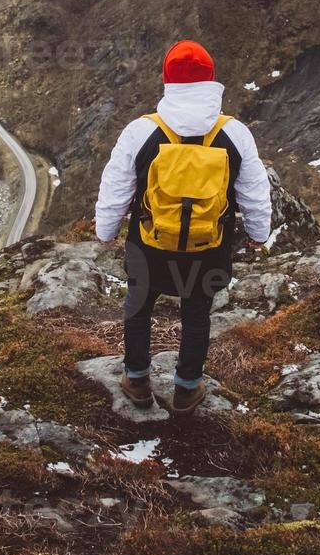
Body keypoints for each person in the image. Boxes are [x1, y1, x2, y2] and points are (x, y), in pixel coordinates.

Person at [94, 39, 272, 415]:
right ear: (211, 81)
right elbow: (255, 192)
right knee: (196, 314)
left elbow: (116, 188)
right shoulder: (235, 133)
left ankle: (137, 380)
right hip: (208, 249)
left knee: (139, 308)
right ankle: (188, 389)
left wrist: (106, 231)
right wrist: (258, 234)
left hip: (149, 247)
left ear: (167, 81)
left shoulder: (141, 131)